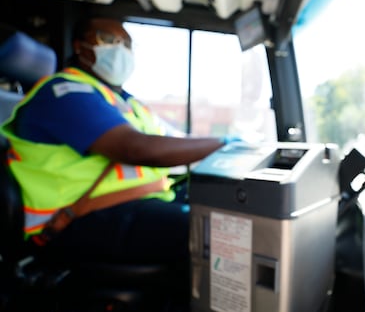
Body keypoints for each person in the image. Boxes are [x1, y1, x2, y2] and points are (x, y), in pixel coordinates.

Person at [0, 17, 226, 267]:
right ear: (79, 46)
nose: (120, 49)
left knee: (228, 214)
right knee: (214, 235)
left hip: (128, 205)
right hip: (73, 222)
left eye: (127, 44)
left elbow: (171, 142)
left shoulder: (125, 102)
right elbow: (137, 149)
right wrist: (223, 144)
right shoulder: (64, 93)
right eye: (108, 40)